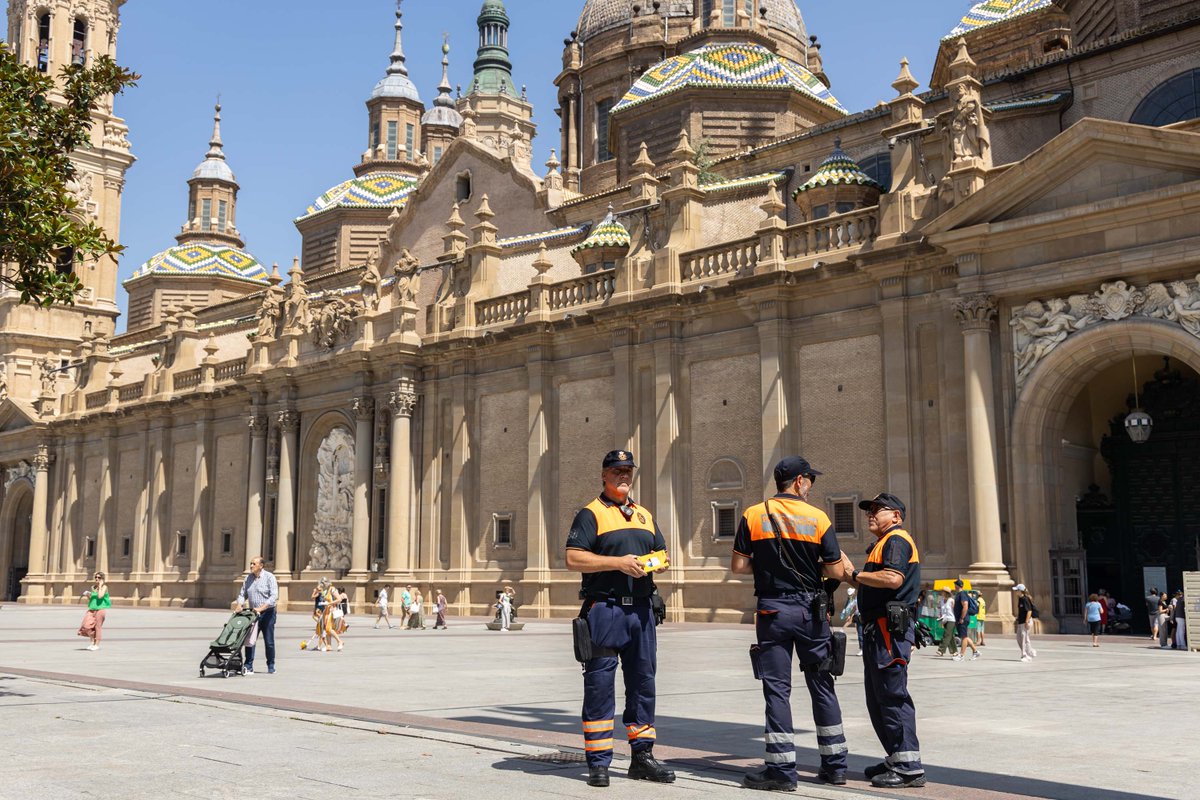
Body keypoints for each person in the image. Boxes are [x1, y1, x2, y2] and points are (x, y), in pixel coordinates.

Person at [730, 456, 853, 791]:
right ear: (799, 481)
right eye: (810, 480)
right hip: (812, 611)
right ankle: (836, 766)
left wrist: (770, 569)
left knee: (777, 691)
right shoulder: (818, 517)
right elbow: (836, 570)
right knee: (822, 684)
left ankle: (782, 773)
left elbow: (739, 567)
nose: (811, 486)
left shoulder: (754, 514)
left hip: (773, 610)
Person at [565, 449, 674, 788]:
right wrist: (618, 563)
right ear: (604, 475)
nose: (623, 476)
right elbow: (573, 558)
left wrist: (654, 564)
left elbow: (661, 553)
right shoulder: (590, 513)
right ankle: (598, 762)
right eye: (616, 471)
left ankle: (642, 756)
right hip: (605, 609)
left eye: (627, 471)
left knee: (643, 683)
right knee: (599, 684)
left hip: (641, 610)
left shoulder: (644, 514)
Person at [844, 492, 925, 789]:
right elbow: (873, 580)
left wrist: (855, 573)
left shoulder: (896, 541)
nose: (871, 513)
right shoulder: (881, 544)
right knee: (877, 698)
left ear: (896, 516)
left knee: (892, 696)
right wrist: (849, 574)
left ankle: (908, 767)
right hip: (878, 630)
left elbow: (893, 579)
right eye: (870, 509)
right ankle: (896, 755)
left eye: (879, 509)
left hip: (889, 630)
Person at [236, 557, 278, 674]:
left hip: (268, 613)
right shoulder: (248, 578)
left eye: (253, 564)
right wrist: (240, 604)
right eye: (250, 563)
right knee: (250, 640)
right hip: (253, 614)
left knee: (269, 641)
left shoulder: (270, 577)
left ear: (261, 566)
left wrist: (262, 608)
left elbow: (274, 597)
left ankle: (271, 665)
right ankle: (248, 666)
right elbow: (242, 594)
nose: (251, 566)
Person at [77, 571, 110, 651]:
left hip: (100, 609)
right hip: (92, 609)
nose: (96, 579)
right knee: (86, 625)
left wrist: (100, 585)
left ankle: (96, 644)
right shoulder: (93, 587)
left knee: (97, 627)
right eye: (96, 577)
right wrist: (88, 595)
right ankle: (92, 642)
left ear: (102, 579)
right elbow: (91, 599)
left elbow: (100, 596)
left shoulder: (104, 587)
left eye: (99, 577)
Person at [952, 579, 980, 662]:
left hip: (963, 619)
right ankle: (975, 651)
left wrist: (962, 618)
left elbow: (965, 606)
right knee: (965, 636)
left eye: (955, 585)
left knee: (963, 637)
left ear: (957, 586)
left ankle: (961, 655)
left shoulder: (962, 594)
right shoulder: (959, 594)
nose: (954, 586)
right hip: (961, 619)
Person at [1014, 584, 1037, 661]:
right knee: (1019, 638)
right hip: (1021, 621)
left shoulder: (1025, 599)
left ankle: (1024, 655)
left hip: (1025, 621)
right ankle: (1030, 652)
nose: (1015, 592)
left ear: (1020, 591)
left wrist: (1026, 621)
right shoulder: (1020, 599)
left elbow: (1029, 611)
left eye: (1016, 590)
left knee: (1024, 638)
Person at [840, 587, 864, 657]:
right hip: (859, 617)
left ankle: (867, 649)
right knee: (860, 634)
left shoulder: (866, 597)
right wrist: (847, 613)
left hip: (867, 617)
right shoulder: (856, 598)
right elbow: (850, 606)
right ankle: (862, 649)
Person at [936, 587, 956, 657]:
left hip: (951, 619)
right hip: (944, 619)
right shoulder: (941, 600)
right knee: (950, 636)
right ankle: (954, 651)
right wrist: (940, 617)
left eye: (943, 591)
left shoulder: (951, 600)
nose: (941, 593)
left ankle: (941, 650)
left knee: (946, 634)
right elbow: (941, 610)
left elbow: (955, 610)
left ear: (946, 593)